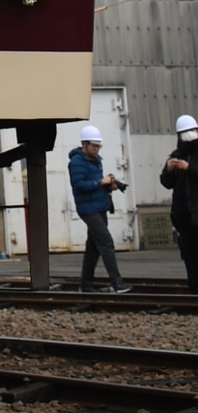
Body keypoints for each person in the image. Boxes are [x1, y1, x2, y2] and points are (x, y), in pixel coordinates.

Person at [69, 125, 131, 293]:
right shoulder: (77, 162)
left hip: (98, 207)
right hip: (88, 210)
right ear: (84, 144)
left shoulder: (95, 160)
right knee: (106, 242)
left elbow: (93, 184)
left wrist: (109, 186)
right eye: (94, 145)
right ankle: (117, 283)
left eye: (98, 146)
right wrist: (100, 183)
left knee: (93, 247)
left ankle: (86, 285)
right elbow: (79, 185)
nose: (97, 149)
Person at [162, 113, 198, 292]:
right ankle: (193, 286)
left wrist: (189, 168)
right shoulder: (176, 155)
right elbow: (166, 183)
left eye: (191, 131)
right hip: (183, 213)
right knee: (189, 252)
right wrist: (169, 170)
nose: (188, 136)